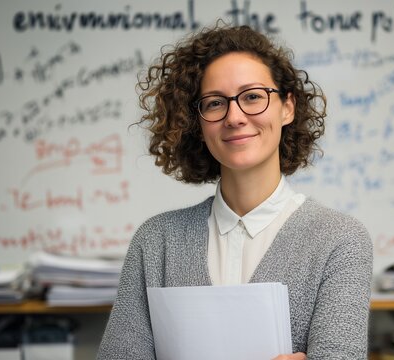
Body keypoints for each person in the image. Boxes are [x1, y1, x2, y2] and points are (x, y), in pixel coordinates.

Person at [98, 23, 372, 360]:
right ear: (195, 121)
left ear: (287, 107)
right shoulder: (156, 241)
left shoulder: (339, 240)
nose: (235, 117)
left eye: (253, 97)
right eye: (215, 103)